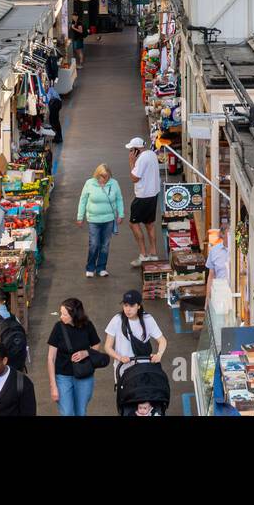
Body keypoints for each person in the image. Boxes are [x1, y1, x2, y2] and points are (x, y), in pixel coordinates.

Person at [47, 298, 104, 417]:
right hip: (62, 376)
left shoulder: (87, 325)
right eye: (60, 313)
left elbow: (96, 344)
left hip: (84, 375)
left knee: (81, 412)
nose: (61, 317)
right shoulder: (58, 327)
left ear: (74, 315)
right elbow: (51, 358)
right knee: (67, 412)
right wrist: (53, 386)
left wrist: (86, 353)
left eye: (64, 314)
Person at [104, 290, 167, 375]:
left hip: (143, 368)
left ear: (139, 306)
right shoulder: (117, 320)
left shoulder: (147, 319)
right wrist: (120, 358)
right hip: (122, 369)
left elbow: (162, 340)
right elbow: (107, 347)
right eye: (125, 305)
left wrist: (159, 355)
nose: (128, 309)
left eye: (132, 305)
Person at [77, 163, 123, 278]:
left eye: (107, 176)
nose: (105, 179)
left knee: (105, 245)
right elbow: (83, 200)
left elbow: (119, 199)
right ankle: (90, 267)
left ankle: (101, 268)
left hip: (109, 220)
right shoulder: (89, 183)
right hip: (93, 220)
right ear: (97, 175)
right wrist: (80, 216)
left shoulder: (114, 183)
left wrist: (121, 214)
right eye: (102, 176)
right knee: (94, 244)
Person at [126, 136, 162, 265]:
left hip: (143, 196)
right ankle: (153, 253)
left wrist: (131, 162)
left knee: (133, 223)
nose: (130, 152)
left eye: (131, 150)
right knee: (149, 224)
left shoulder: (141, 159)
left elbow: (134, 178)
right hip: (153, 194)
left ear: (136, 150)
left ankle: (143, 254)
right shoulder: (151, 154)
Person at [204, 229, 230, 306]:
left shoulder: (240, 250)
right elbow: (211, 275)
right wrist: (207, 298)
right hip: (220, 294)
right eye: (228, 234)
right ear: (222, 235)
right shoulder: (214, 250)